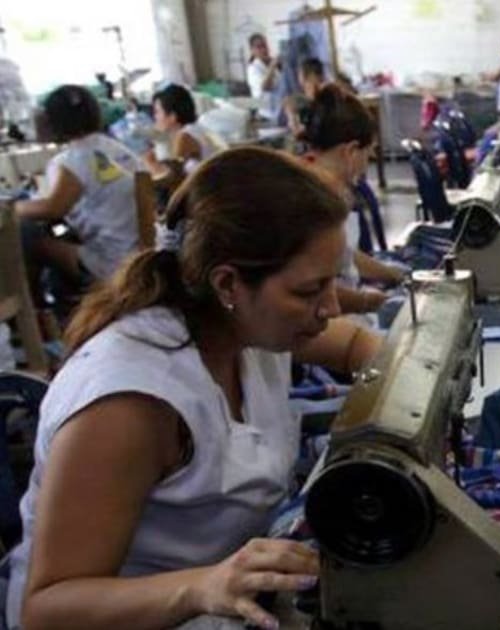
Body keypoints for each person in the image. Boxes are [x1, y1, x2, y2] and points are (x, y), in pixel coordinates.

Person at [7, 147, 383, 629]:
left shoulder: (244, 325)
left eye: (332, 284)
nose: (330, 307)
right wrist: (202, 586)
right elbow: (46, 610)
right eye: (309, 290)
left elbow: (354, 345)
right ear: (228, 284)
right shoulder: (129, 404)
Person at [16, 85, 141, 293]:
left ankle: (38, 309)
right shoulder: (116, 149)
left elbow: (53, 208)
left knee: (30, 238)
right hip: (143, 253)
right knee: (63, 235)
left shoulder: (75, 158)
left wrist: (12, 208)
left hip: (116, 263)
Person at [300, 85, 405, 314]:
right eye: (369, 153)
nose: (370, 160)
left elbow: (344, 255)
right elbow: (309, 290)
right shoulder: (315, 199)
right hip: (325, 321)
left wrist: (395, 275)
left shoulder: (318, 181)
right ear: (351, 152)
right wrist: (367, 301)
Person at [145, 84, 226, 176]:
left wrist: (150, 163)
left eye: (157, 112)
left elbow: (173, 179)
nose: (155, 117)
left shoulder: (184, 137)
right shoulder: (196, 129)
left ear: (172, 116)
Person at [245, 33, 282, 121]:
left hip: (278, 109)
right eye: (259, 47)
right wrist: (272, 66)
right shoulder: (253, 68)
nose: (264, 49)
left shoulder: (271, 64)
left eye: (265, 45)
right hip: (267, 114)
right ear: (252, 50)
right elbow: (265, 87)